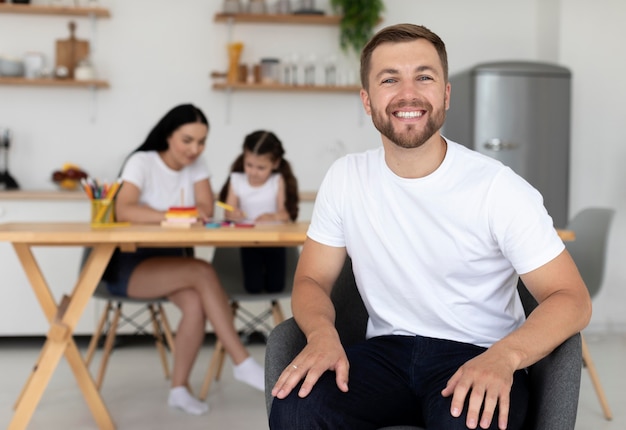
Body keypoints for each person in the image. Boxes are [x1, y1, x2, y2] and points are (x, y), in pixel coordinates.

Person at [269, 24, 592, 430]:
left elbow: (572, 298)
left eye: (424, 77)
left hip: (477, 353)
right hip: (383, 355)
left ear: (445, 94)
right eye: (390, 79)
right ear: (367, 101)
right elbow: (312, 279)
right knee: (297, 407)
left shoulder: (498, 187)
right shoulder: (346, 178)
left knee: (471, 423)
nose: (408, 94)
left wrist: (505, 357)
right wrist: (321, 335)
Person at [102, 104, 265, 416]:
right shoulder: (142, 162)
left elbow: (205, 206)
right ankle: (242, 362)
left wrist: (198, 212)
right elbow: (124, 210)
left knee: (194, 303)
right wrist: (174, 215)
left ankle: (179, 389)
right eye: (187, 140)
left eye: (201, 142)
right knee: (202, 272)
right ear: (168, 135)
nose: (195, 149)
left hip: (173, 263)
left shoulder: (196, 165)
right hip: (130, 266)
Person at [218, 130, 299, 294]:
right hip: (248, 240)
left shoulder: (277, 181)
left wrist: (273, 216)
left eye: (261, 167)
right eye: (249, 165)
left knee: (276, 286)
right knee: (252, 287)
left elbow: (285, 215)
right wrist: (233, 214)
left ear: (275, 164)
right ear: (244, 159)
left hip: (275, 241)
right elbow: (228, 212)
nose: (253, 172)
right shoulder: (237, 180)